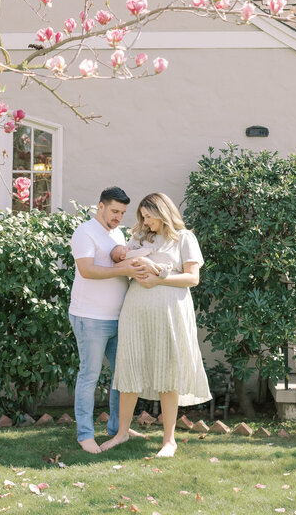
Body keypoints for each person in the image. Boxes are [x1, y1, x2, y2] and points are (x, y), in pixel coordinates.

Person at [101, 192, 210, 458]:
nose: (145, 222)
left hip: (171, 312)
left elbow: (192, 278)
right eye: (143, 217)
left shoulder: (185, 238)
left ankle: (169, 440)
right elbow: (124, 262)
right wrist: (140, 263)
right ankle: (122, 433)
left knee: (167, 371)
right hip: (136, 311)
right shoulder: (140, 238)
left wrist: (159, 278)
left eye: (149, 216)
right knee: (130, 369)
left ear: (162, 212)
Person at [68, 186, 159, 454]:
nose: (119, 216)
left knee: (122, 377)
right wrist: (124, 267)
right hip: (90, 316)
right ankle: (85, 435)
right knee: (90, 375)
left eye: (123, 212)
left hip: (119, 317)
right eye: (115, 211)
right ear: (101, 206)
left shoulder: (117, 234)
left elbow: (120, 270)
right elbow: (86, 270)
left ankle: (118, 428)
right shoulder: (85, 232)